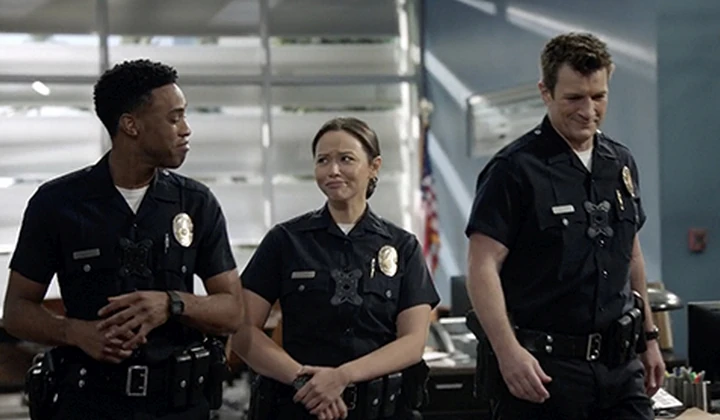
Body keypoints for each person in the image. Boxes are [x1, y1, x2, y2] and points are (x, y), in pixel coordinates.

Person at [2, 59, 244, 419]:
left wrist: (172, 304)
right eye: (174, 118)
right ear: (131, 125)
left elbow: (233, 311)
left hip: (178, 406)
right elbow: (16, 311)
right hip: (87, 404)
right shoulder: (57, 203)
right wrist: (75, 332)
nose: (186, 129)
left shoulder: (196, 202)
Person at [464, 32, 665, 420]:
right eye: (574, 98)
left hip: (620, 368)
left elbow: (631, 256)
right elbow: (481, 266)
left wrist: (649, 338)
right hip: (545, 371)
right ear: (546, 92)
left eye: (598, 96)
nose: (588, 110)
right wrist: (507, 352)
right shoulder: (514, 169)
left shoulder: (619, 163)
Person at [231, 117, 440, 420]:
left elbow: (412, 343)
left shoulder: (402, 246)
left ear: (374, 166)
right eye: (323, 160)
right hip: (301, 408)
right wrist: (307, 383)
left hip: (380, 411)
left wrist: (342, 377)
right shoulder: (285, 240)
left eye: (346, 159)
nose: (333, 170)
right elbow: (242, 331)